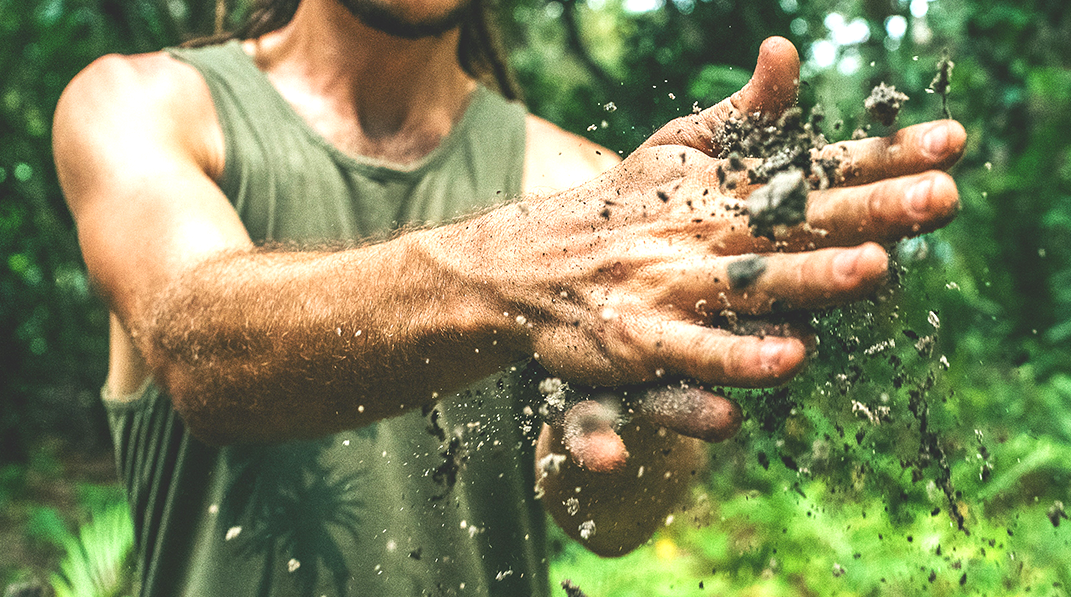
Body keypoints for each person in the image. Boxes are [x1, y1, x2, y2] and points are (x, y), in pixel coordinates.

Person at [52, 0, 966, 594]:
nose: (559, 256)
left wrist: (625, 410)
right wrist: (523, 273)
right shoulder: (142, 104)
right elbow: (203, 351)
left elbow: (614, 525)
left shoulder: (588, 188)